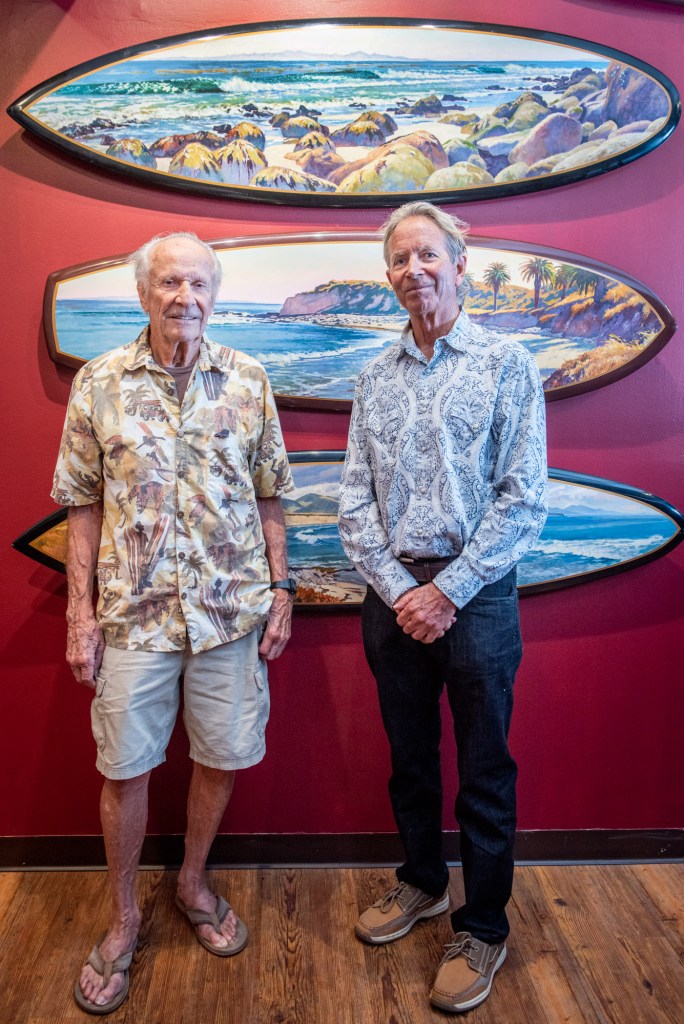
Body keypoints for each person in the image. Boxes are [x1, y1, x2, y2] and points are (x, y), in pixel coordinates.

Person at [52, 231, 296, 1015]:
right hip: (134, 615)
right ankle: (124, 918)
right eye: (168, 283)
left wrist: (282, 589)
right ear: (143, 293)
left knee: (221, 755)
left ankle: (192, 881)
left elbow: (269, 494)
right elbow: (81, 504)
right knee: (124, 768)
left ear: (214, 295)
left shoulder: (249, 380)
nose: (183, 297)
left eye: (197, 283)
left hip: (229, 613)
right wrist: (80, 615)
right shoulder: (99, 383)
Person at [338, 201, 548, 1014]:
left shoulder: (506, 364)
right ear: (388, 275)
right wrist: (404, 593)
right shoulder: (372, 378)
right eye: (400, 259)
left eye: (427, 254)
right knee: (411, 758)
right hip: (393, 601)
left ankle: (484, 926)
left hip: (478, 599)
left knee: (485, 769)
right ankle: (423, 882)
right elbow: (354, 504)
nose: (413, 270)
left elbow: (523, 499)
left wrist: (447, 591)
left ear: (459, 263)